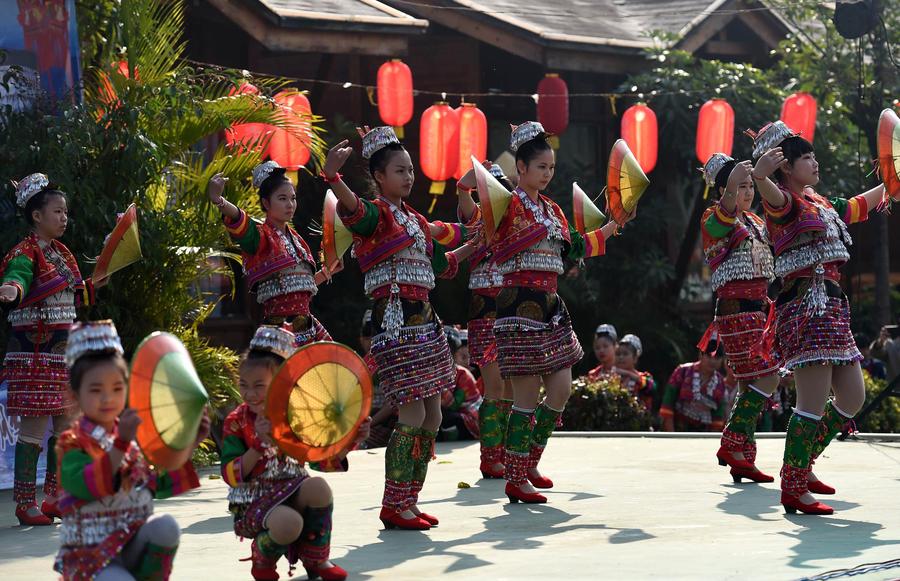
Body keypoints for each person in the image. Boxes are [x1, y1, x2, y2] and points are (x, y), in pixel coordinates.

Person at [321, 125, 479, 529]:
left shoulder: (415, 220)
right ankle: (393, 504)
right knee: (411, 414)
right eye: (399, 170)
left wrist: (479, 240)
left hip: (423, 321)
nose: (408, 176)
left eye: (410, 170)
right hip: (395, 323)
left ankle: (408, 499)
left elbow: (442, 264)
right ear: (379, 176)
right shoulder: (375, 215)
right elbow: (354, 210)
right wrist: (333, 178)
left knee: (431, 416)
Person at [489, 122, 630, 504]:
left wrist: (612, 226)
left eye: (551, 168)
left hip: (551, 305)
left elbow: (572, 249)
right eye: (540, 168)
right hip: (518, 304)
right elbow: (484, 219)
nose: (548, 174)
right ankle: (515, 476)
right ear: (520, 167)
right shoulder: (507, 203)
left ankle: (528, 461)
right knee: (525, 393)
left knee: (562, 387)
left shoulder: (551, 208)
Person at [750, 120, 886, 514]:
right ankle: (791, 485)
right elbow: (772, 196)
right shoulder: (784, 203)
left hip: (833, 309)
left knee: (852, 396)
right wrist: (759, 176)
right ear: (787, 168)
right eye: (807, 158)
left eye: (813, 156)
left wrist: (893, 179)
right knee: (810, 401)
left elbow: (860, 205)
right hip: (806, 309)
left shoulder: (822, 203)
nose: (815, 162)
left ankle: (803, 464)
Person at [54, 321, 208, 580]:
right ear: (75, 394)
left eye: (117, 388)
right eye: (96, 390)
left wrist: (190, 441)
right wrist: (122, 443)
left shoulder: (129, 434)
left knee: (166, 527)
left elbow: (157, 483)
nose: (108, 398)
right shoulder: (72, 443)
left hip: (131, 541)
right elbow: (89, 486)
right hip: (92, 556)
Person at [222, 325, 370, 581]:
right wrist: (257, 446)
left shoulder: (298, 416)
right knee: (289, 523)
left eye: (259, 385)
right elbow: (230, 475)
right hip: (254, 500)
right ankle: (262, 556)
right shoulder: (237, 421)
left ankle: (317, 559)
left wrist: (352, 439)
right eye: (244, 385)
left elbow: (320, 461)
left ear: (282, 383)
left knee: (319, 487)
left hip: (292, 487)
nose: (250, 393)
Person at [0, 174, 106, 525]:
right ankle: (25, 503)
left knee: (67, 426)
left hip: (62, 354)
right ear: (36, 216)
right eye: (57, 212)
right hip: (34, 355)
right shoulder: (24, 254)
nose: (64, 218)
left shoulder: (63, 254)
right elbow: (16, 276)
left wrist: (96, 282)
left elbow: (75, 296)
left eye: (65, 212)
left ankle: (55, 496)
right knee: (32, 429)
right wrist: (11, 290)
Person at [699, 153, 780, 484]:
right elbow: (722, 220)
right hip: (736, 312)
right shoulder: (713, 219)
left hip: (757, 311)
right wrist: (731, 189)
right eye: (738, 187)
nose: (746, 193)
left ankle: (744, 459)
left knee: (750, 383)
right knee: (769, 377)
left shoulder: (757, 222)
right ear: (722, 190)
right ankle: (731, 443)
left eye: (749, 187)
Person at [207, 161, 332, 345]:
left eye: (293, 198)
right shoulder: (260, 237)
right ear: (266, 202)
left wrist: (326, 272)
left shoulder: (298, 240)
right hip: (279, 329)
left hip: (308, 326)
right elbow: (240, 219)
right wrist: (218, 199)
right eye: (282, 198)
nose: (290, 204)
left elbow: (300, 288)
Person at [455, 162, 514, 478]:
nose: (497, 197)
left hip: (514, 309)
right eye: (490, 190)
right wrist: (479, 173)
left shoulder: (517, 224)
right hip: (484, 313)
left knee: (514, 388)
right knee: (494, 384)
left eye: (501, 191)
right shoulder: (476, 220)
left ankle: (508, 452)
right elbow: (462, 190)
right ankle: (490, 457)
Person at [660, 339, 728, 432]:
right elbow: (667, 405)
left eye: (717, 358)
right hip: (677, 431)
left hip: (704, 437)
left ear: (722, 360)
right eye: (709, 356)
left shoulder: (721, 383)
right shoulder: (682, 372)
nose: (713, 361)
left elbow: (718, 418)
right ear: (700, 355)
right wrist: (672, 436)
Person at [439, 326, 482, 441]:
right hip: (452, 412)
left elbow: (454, 405)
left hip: (470, 418)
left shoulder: (463, 375)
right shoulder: (438, 373)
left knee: (448, 417)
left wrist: (439, 387)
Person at [612, 334, 655, 413]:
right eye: (618, 354)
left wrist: (629, 374)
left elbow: (651, 388)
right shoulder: (611, 377)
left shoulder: (644, 377)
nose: (621, 357)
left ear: (635, 358)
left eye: (625, 354)